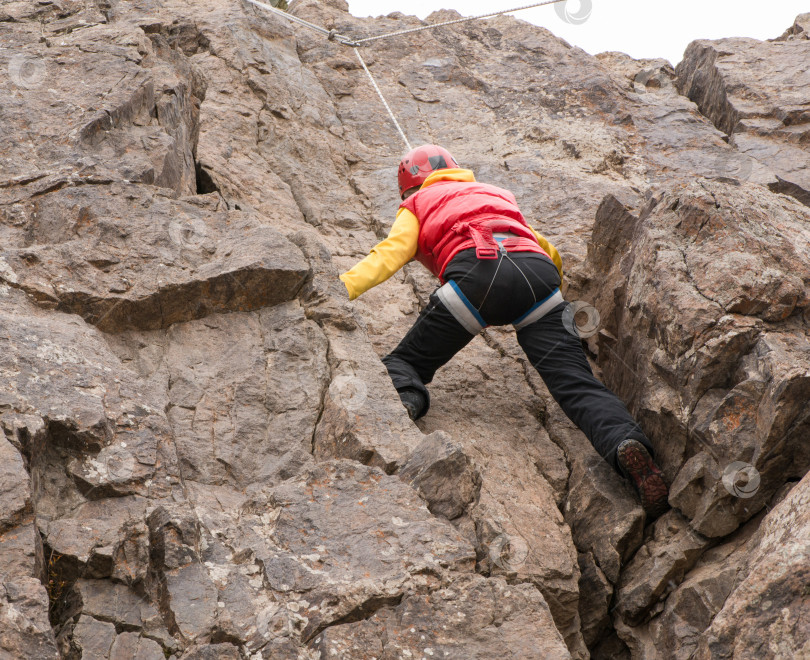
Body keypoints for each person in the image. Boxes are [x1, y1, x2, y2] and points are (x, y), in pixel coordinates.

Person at [339, 145, 669, 519]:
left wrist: (341, 289)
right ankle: (627, 445)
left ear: (408, 188)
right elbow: (548, 249)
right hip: (538, 277)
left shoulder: (416, 204)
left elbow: (390, 253)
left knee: (405, 363)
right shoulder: (496, 194)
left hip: (478, 276)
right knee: (577, 384)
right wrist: (553, 294)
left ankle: (401, 412)